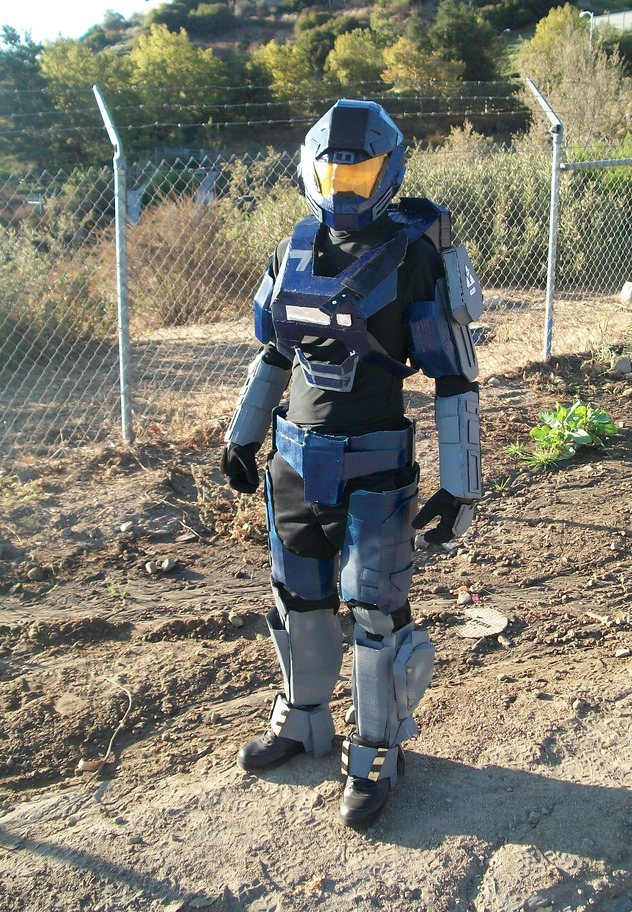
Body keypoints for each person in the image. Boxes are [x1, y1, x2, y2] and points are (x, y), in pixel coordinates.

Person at [221, 99, 482, 828]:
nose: (345, 185)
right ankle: (304, 719)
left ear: (388, 172)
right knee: (298, 598)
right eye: (335, 170)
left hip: (375, 465)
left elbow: (454, 375)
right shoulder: (292, 248)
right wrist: (243, 438)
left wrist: (462, 487)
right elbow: (275, 353)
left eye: (360, 171)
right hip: (293, 461)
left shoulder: (416, 255)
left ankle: (376, 751)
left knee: (376, 612)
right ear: (310, 169)